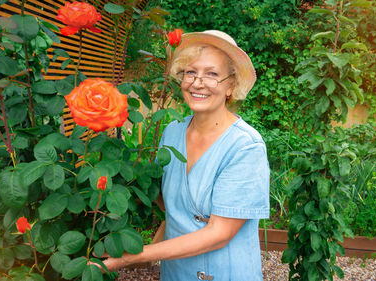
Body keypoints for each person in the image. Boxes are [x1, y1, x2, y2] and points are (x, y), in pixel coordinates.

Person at [100, 30, 270, 281]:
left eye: (212, 74)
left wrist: (133, 256)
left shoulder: (245, 146)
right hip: (177, 272)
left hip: (225, 273)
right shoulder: (173, 132)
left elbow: (219, 233)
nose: (198, 82)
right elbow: (167, 198)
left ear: (231, 86)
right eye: (191, 72)